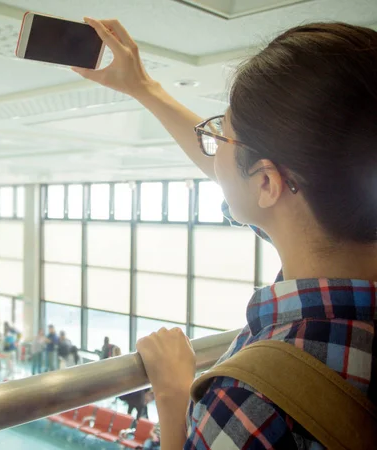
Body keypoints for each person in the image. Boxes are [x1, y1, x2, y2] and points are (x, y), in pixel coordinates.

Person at [75, 18, 377, 449]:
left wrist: (176, 396)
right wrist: (142, 86)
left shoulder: (245, 402)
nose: (212, 150)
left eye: (221, 137)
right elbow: (253, 180)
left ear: (268, 184)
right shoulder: (344, 249)